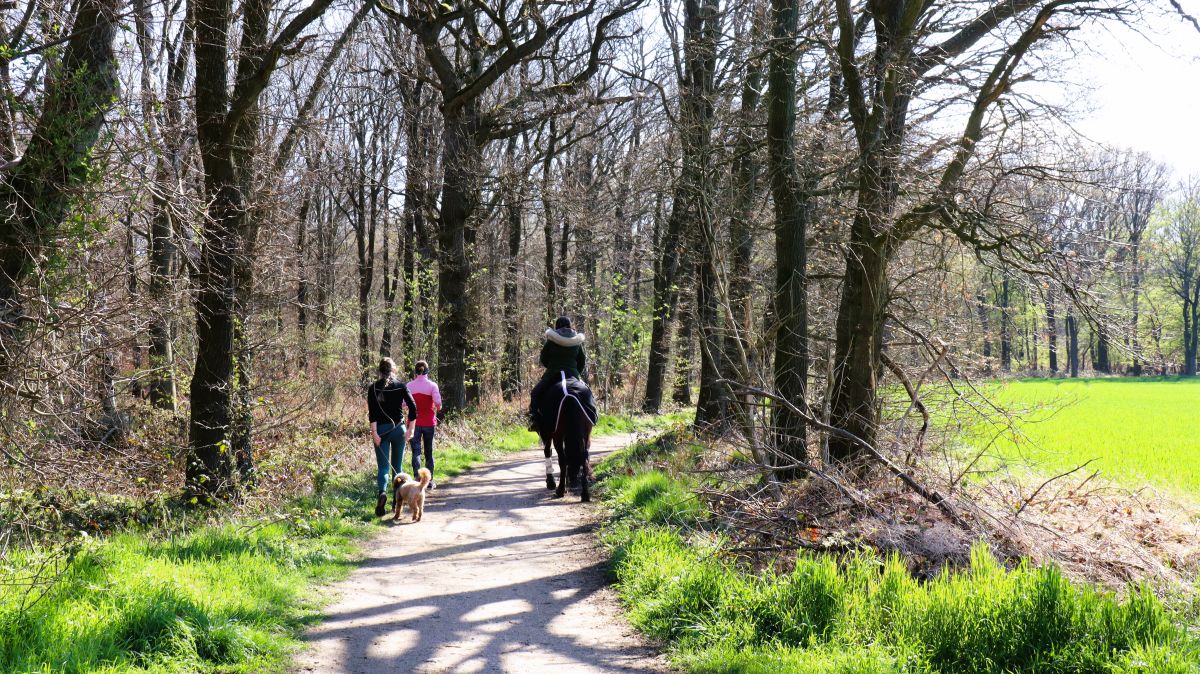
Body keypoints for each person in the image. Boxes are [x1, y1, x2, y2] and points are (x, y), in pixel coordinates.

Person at [367, 357, 417, 517]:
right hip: (398, 429)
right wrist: (411, 429)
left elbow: (372, 413)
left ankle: (382, 493)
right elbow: (413, 406)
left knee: (383, 468)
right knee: (398, 468)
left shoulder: (373, 388)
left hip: (381, 430)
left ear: (379, 371)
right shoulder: (401, 386)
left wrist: (374, 433)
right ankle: (397, 501)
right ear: (393, 369)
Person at [529, 316, 596, 431]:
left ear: (557, 326)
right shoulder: (577, 341)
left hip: (553, 373)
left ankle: (534, 420)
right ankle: (593, 416)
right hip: (573, 374)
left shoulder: (551, 340)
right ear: (570, 325)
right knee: (588, 393)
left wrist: (551, 366)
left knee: (535, 393)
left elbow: (544, 358)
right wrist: (576, 373)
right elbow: (582, 360)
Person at [407, 360, 442, 489]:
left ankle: (417, 480)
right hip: (429, 423)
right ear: (427, 371)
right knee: (429, 452)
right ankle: (429, 481)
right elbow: (438, 403)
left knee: (416, 452)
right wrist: (437, 407)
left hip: (414, 423)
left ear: (415, 371)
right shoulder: (432, 385)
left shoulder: (409, 386)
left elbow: (403, 404)